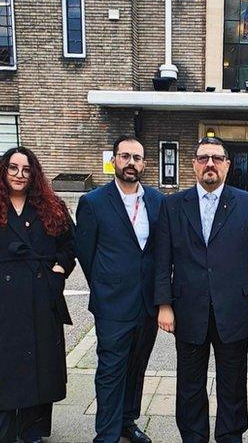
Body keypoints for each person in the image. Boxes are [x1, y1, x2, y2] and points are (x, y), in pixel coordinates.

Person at [0, 146, 75, 443]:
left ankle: (33, 430)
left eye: (27, 169)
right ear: (3, 170)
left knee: (40, 364)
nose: (20, 175)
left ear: (35, 174)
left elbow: (70, 245)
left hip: (41, 296)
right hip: (1, 299)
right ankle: (1, 433)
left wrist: (58, 271)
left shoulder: (51, 205)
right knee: (2, 367)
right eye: (13, 168)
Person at [154, 137, 248, 443]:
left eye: (217, 158)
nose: (210, 164)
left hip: (234, 309)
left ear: (227, 166)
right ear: (193, 164)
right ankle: (193, 436)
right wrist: (164, 305)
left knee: (232, 383)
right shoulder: (173, 205)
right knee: (190, 384)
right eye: (203, 158)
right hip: (188, 309)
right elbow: (162, 258)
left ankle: (230, 435)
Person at [75, 136, 165, 443]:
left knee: (137, 366)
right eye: (125, 156)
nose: (131, 163)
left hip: (147, 303)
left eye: (137, 158)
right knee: (111, 369)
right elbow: (86, 253)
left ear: (144, 163)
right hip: (113, 304)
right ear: (114, 160)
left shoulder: (156, 200)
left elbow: (159, 251)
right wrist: (106, 284)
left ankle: (128, 421)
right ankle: (107, 433)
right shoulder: (94, 202)